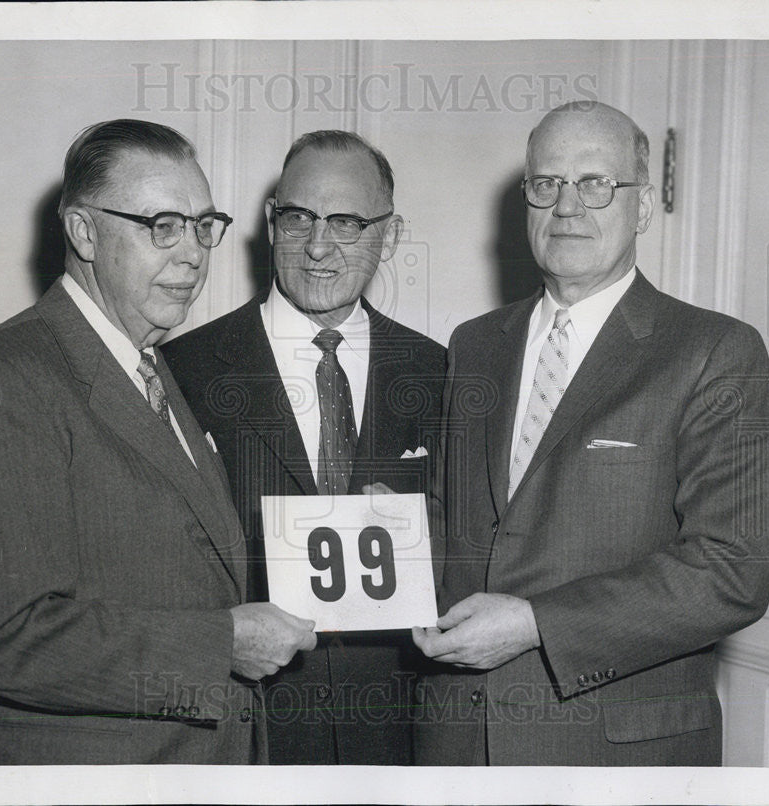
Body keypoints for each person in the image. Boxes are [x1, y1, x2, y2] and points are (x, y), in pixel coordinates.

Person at [0, 119, 316, 765]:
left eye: (202, 225)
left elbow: (183, 565)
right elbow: (2, 636)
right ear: (83, 231)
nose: (192, 254)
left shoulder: (155, 369)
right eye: (162, 225)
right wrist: (221, 645)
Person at [412, 102, 769, 766]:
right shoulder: (475, 345)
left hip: (617, 751)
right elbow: (451, 520)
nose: (567, 207)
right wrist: (386, 533)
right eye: (546, 183)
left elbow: (733, 570)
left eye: (595, 184)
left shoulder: (714, 351)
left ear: (641, 208)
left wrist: (535, 624)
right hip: (461, 743)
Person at [163, 130, 446, 764]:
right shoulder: (184, 370)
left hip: (398, 736)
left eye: (347, 223)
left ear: (391, 235)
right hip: (243, 734)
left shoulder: (440, 374)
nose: (318, 247)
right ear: (269, 223)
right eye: (298, 219)